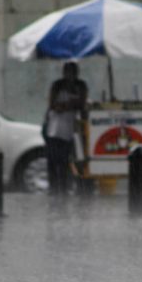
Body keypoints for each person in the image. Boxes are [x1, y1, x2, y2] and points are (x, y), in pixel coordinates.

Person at [44, 62, 87, 196]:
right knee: (53, 159)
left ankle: (66, 186)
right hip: (54, 128)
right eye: (67, 72)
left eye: (72, 72)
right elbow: (53, 104)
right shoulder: (57, 85)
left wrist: (67, 105)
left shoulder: (80, 85)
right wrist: (66, 105)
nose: (69, 75)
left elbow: (81, 103)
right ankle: (54, 187)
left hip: (71, 128)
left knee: (67, 159)